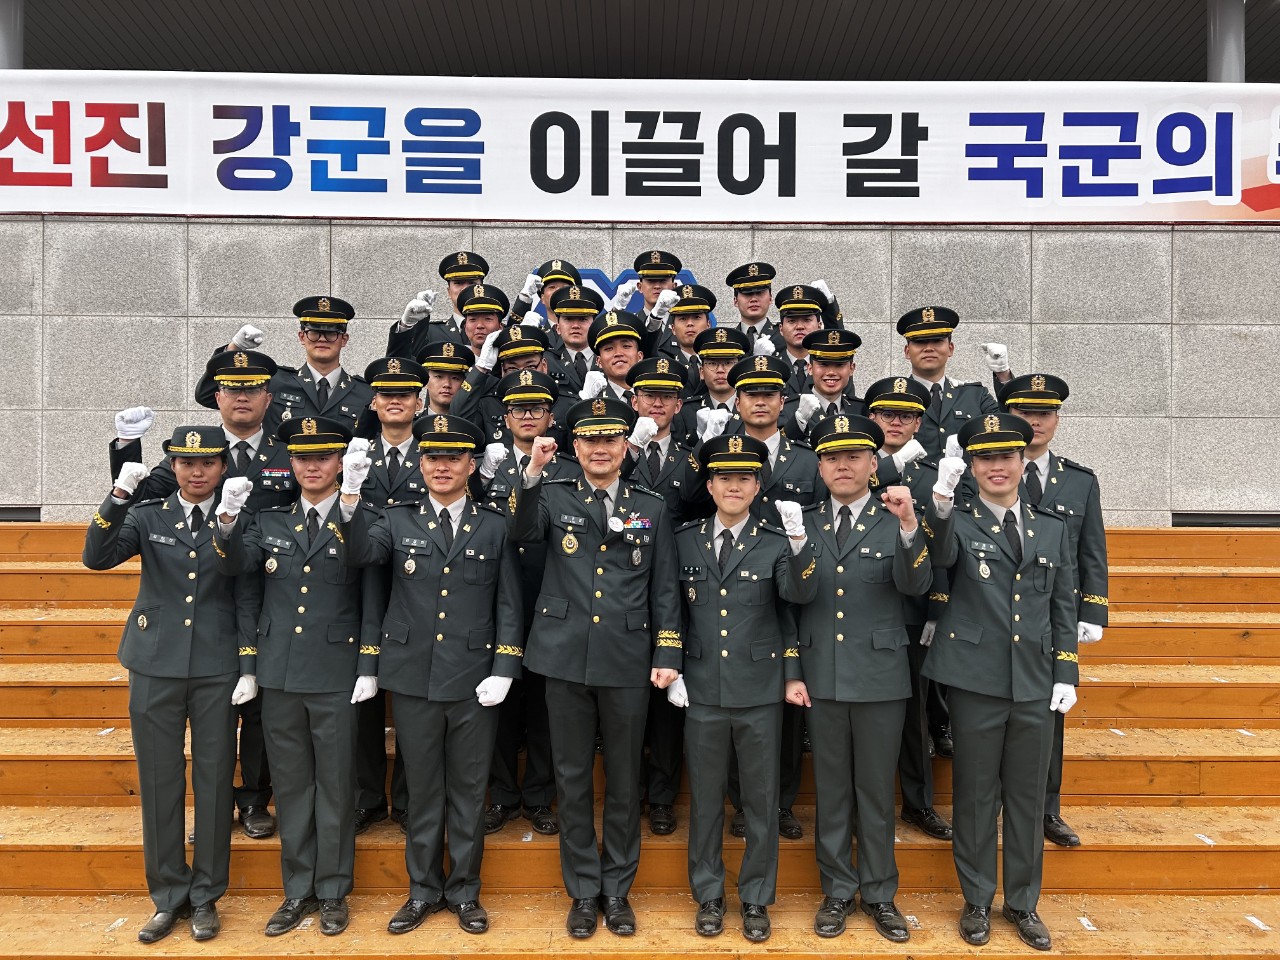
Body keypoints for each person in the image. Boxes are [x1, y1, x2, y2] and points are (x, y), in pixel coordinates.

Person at [337, 414, 523, 936]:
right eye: (433, 457)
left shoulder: (494, 525)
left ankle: (464, 891)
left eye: (453, 458)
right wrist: (349, 499)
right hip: (414, 676)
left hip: (474, 680)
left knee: (468, 791)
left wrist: (505, 667)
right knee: (420, 792)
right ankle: (422, 889)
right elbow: (360, 554)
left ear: (471, 466)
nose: (442, 466)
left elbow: (509, 604)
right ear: (420, 464)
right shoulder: (396, 520)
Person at [511, 397, 682, 939]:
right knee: (572, 777)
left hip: (627, 657)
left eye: (610, 439)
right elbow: (520, 532)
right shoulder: (552, 493)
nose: (601, 448)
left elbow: (664, 586)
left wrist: (668, 652)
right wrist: (532, 473)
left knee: (626, 778)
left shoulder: (650, 506)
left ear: (625, 445)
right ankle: (584, 889)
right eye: (590, 439)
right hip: (564, 655)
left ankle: (617, 889)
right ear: (576, 446)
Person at [84, 426, 258, 944]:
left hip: (215, 664)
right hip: (155, 662)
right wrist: (118, 495)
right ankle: (167, 896)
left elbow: (243, 584)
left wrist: (247, 665)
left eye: (206, 463)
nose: (196, 472)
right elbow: (97, 556)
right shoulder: (147, 514)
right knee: (160, 780)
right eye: (186, 463)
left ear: (223, 467)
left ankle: (205, 896)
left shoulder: (240, 516)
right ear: (173, 467)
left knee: (213, 780)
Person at [212, 416, 381, 938]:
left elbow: (371, 597)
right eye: (303, 457)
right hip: (280, 673)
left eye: (323, 457)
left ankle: (332, 890)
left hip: (335, 674)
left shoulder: (361, 518)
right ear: (291, 463)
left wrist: (368, 665)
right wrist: (227, 522)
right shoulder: (269, 521)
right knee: (290, 788)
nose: (312, 466)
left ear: (339, 463)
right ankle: (297, 889)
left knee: (335, 788)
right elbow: (239, 575)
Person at [110, 349, 286, 842]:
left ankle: (253, 798)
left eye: (252, 389)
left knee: (258, 706)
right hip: (211, 589)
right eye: (231, 389)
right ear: (217, 397)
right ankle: (212, 807)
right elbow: (142, 493)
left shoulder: (285, 449)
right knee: (216, 711)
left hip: (276, 585)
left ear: (268, 398)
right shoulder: (198, 452)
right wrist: (126, 447)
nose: (241, 398)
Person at [924, 413, 1079, 952]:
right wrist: (940, 502)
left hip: (1035, 681)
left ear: (1020, 460)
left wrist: (1066, 671)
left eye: (1006, 456)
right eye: (985, 457)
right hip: (976, 680)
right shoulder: (958, 521)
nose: (997, 466)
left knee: (1027, 796)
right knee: (974, 795)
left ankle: (1022, 902)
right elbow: (939, 556)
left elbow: (1062, 606)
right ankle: (976, 899)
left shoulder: (1052, 527)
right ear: (971, 466)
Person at [788, 414, 933, 942]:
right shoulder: (801, 522)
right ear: (819, 467)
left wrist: (910, 526)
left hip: (880, 677)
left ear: (874, 464)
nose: (842, 465)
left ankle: (879, 893)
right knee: (832, 791)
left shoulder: (896, 516)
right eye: (831, 457)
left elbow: (917, 584)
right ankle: (837, 890)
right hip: (821, 674)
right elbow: (791, 602)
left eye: (853, 456)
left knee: (874, 791)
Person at [667, 434, 814, 942]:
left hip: (759, 690)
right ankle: (708, 894)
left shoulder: (775, 540)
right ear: (709, 486)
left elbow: (795, 600)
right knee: (706, 801)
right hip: (701, 687)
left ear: (757, 487)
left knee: (760, 801)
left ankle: (756, 898)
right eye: (724, 477)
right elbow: (672, 609)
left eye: (744, 478)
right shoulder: (684, 539)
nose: (734, 486)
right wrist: (672, 667)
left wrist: (799, 543)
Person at [999, 373, 1109, 849]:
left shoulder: (1079, 481)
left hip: (1052, 616)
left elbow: (1092, 551)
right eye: (1024, 413)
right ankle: (992, 803)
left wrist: (1093, 610)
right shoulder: (988, 469)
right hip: (995, 612)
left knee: (1050, 713)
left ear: (1057, 420)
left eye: (1044, 413)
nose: (1035, 422)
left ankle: (1046, 807)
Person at [477, 370, 581, 837]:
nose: (527, 416)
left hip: (551, 598)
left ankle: (539, 796)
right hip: (496, 598)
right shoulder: (488, 469)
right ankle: (502, 793)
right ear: (505, 418)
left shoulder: (570, 470)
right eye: (518, 409)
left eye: (536, 408)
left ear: (550, 417)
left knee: (544, 705)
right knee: (498, 706)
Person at [620, 357, 714, 839]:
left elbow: (708, 505)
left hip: (677, 583)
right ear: (634, 400)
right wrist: (631, 450)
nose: (657, 403)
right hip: (623, 583)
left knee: (667, 697)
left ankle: (661, 796)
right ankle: (628, 791)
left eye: (667, 396)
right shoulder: (617, 447)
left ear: (680, 404)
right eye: (648, 394)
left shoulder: (691, 455)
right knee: (627, 696)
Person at [863, 376, 955, 842]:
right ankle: (865, 806)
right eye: (886, 414)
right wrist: (886, 467)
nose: (895, 422)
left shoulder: (935, 474)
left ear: (920, 422)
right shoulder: (855, 464)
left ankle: (918, 803)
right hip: (863, 607)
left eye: (906, 415)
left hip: (913, 608)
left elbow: (944, 549)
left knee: (916, 713)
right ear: (871, 418)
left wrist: (937, 607)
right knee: (865, 715)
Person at [350, 356, 434, 835]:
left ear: (419, 402)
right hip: (360, 577)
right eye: (387, 394)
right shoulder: (355, 454)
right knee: (362, 693)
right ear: (374, 402)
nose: (396, 400)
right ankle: (367, 796)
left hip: (416, 582)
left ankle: (405, 797)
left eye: (405, 394)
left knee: (411, 694)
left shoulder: (436, 451)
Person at [196, 297, 373, 438]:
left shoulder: (365, 393)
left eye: (331, 333)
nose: (322, 339)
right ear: (301, 337)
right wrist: (234, 349)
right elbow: (206, 395)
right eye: (313, 332)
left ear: (344, 339)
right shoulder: (275, 382)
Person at [895, 305, 1003, 457]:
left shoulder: (975, 396)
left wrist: (1003, 374)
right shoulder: (893, 399)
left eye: (937, 341)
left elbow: (1009, 426)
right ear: (907, 351)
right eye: (920, 342)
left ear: (950, 349)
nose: (929, 348)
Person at [388, 250, 490, 356]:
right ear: (449, 292)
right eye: (458, 283)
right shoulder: (430, 333)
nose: (464, 289)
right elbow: (398, 363)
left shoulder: (496, 331)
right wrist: (406, 325)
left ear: (482, 289)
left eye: (472, 283)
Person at [783, 324, 866, 441]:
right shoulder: (788, 409)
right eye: (823, 365)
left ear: (852, 368)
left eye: (839, 365)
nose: (831, 372)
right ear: (810, 368)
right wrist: (798, 421)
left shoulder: (862, 410)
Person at [671, 327, 749, 447]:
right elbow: (679, 454)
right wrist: (699, 434)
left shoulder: (751, 407)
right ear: (701, 372)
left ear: (739, 371)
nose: (720, 370)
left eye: (728, 363)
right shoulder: (684, 412)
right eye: (712, 363)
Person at [545, 284, 605, 396]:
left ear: (594, 326)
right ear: (558, 328)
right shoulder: (547, 362)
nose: (575, 326)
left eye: (583, 319)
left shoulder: (608, 358)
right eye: (568, 319)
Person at [653, 284, 714, 393]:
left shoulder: (721, 364)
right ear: (673, 328)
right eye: (683, 318)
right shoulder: (665, 364)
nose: (690, 323)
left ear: (708, 324)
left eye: (696, 317)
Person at [583, 310, 648, 402]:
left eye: (626, 346)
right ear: (598, 361)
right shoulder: (592, 400)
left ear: (640, 356)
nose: (618, 353)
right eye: (609, 348)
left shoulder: (654, 396)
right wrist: (586, 402)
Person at [724, 261, 784, 352]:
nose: (754, 299)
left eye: (760, 293)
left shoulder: (784, 337)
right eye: (747, 294)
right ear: (735, 301)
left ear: (770, 298)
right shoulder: (728, 340)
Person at [417, 341, 476, 418]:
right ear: (426, 382)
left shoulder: (477, 423)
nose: (447, 384)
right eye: (439, 377)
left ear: (463, 382)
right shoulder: (412, 424)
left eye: (455, 378)